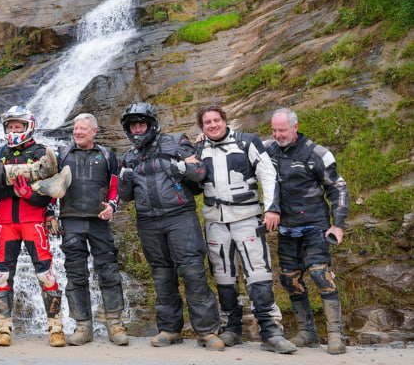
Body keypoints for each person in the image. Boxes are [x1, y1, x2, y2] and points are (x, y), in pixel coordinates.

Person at [117, 103, 225, 351]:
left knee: (192, 272)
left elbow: (200, 173)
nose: (137, 129)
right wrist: (124, 181)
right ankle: (169, 330)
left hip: (180, 217)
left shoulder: (176, 141)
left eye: (141, 124)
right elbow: (126, 197)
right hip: (148, 222)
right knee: (162, 275)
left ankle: (207, 331)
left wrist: (184, 167)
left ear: (151, 124)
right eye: (133, 126)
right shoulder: (129, 157)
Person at [194, 105, 296, 353]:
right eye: (207, 122)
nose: (213, 125)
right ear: (202, 127)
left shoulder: (247, 142)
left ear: (225, 120)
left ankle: (271, 331)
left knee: (258, 273)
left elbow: (268, 174)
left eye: (216, 120)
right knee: (223, 275)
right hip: (215, 221)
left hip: (247, 217)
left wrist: (272, 209)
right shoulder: (198, 148)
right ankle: (232, 328)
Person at [266, 108, 350, 355]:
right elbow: (239, 145)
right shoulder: (268, 149)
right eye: (274, 130)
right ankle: (307, 332)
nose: (278, 135)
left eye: (282, 130)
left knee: (320, 274)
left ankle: (336, 334)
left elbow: (338, 188)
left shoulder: (317, 153)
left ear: (295, 127)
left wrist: (338, 224)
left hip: (315, 223)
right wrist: (204, 137)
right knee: (288, 278)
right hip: (286, 226)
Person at [0, 106, 66, 348]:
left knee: (45, 273)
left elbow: (52, 190)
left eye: (18, 126)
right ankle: (3, 328)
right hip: (6, 221)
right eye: (10, 127)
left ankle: (56, 328)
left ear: (28, 127)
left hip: (33, 219)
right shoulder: (0, 152)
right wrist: (15, 190)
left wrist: (30, 195)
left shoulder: (42, 152)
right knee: (3, 274)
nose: (14, 130)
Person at [53, 113, 128, 346]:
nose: (77, 132)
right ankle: (82, 326)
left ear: (94, 131)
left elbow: (115, 184)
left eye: (83, 129)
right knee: (75, 274)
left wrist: (112, 206)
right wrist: (49, 214)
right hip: (71, 221)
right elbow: (53, 186)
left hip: (99, 222)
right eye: (75, 129)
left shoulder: (107, 155)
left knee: (108, 271)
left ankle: (115, 325)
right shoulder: (62, 154)